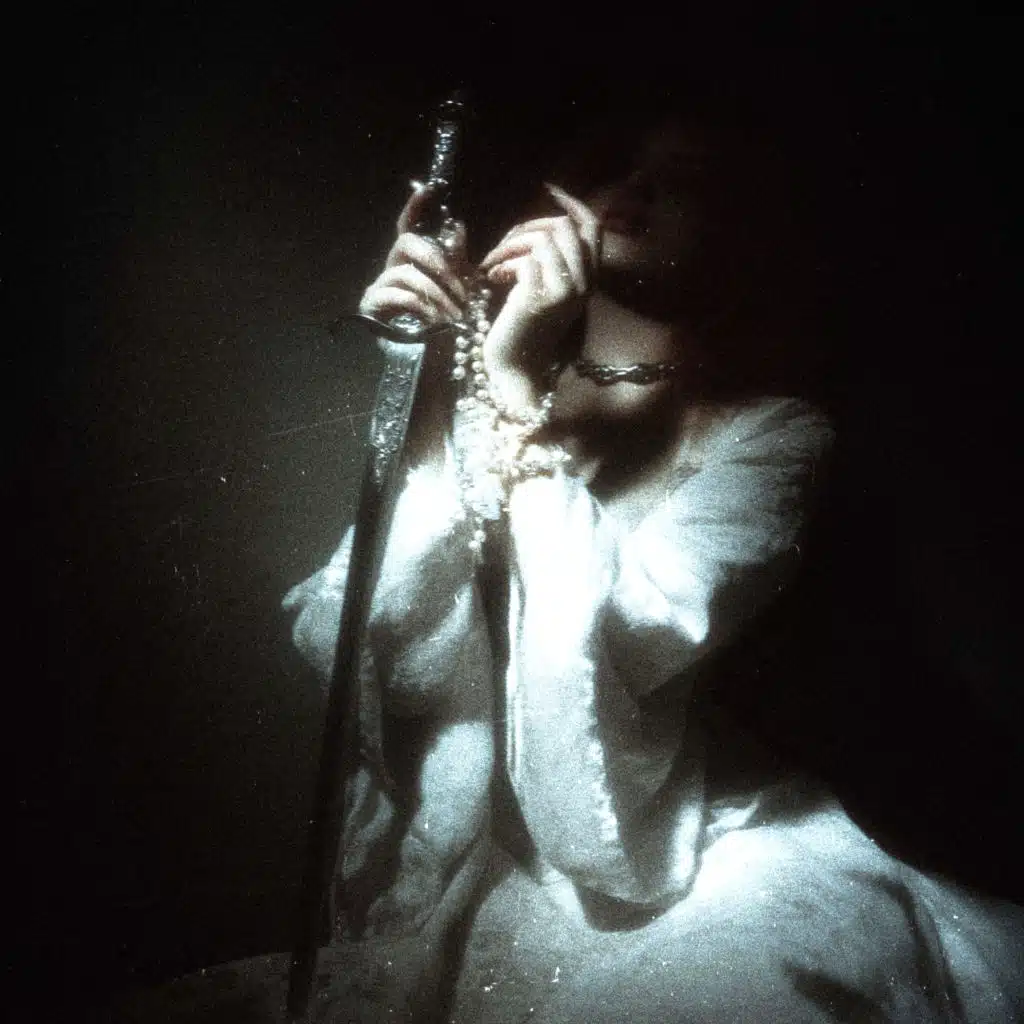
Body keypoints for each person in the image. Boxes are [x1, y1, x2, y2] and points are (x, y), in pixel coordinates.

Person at [111, 95, 1024, 1023]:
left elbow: (627, 641)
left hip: (683, 849)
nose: (633, 191)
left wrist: (512, 388)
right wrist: (427, 373)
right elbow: (375, 639)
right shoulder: (485, 376)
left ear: (747, 232)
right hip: (492, 857)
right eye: (617, 163)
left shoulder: (775, 435)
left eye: (682, 181)